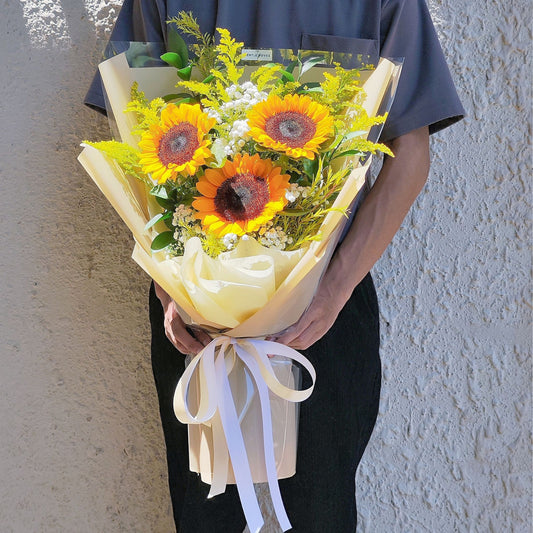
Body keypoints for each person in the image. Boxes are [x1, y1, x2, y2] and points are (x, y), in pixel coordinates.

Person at [86, 1, 464, 531]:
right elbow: (131, 136)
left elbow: (410, 150)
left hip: (326, 307)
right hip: (197, 313)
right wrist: (168, 288)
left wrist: (332, 293)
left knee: (322, 516)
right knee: (204, 517)